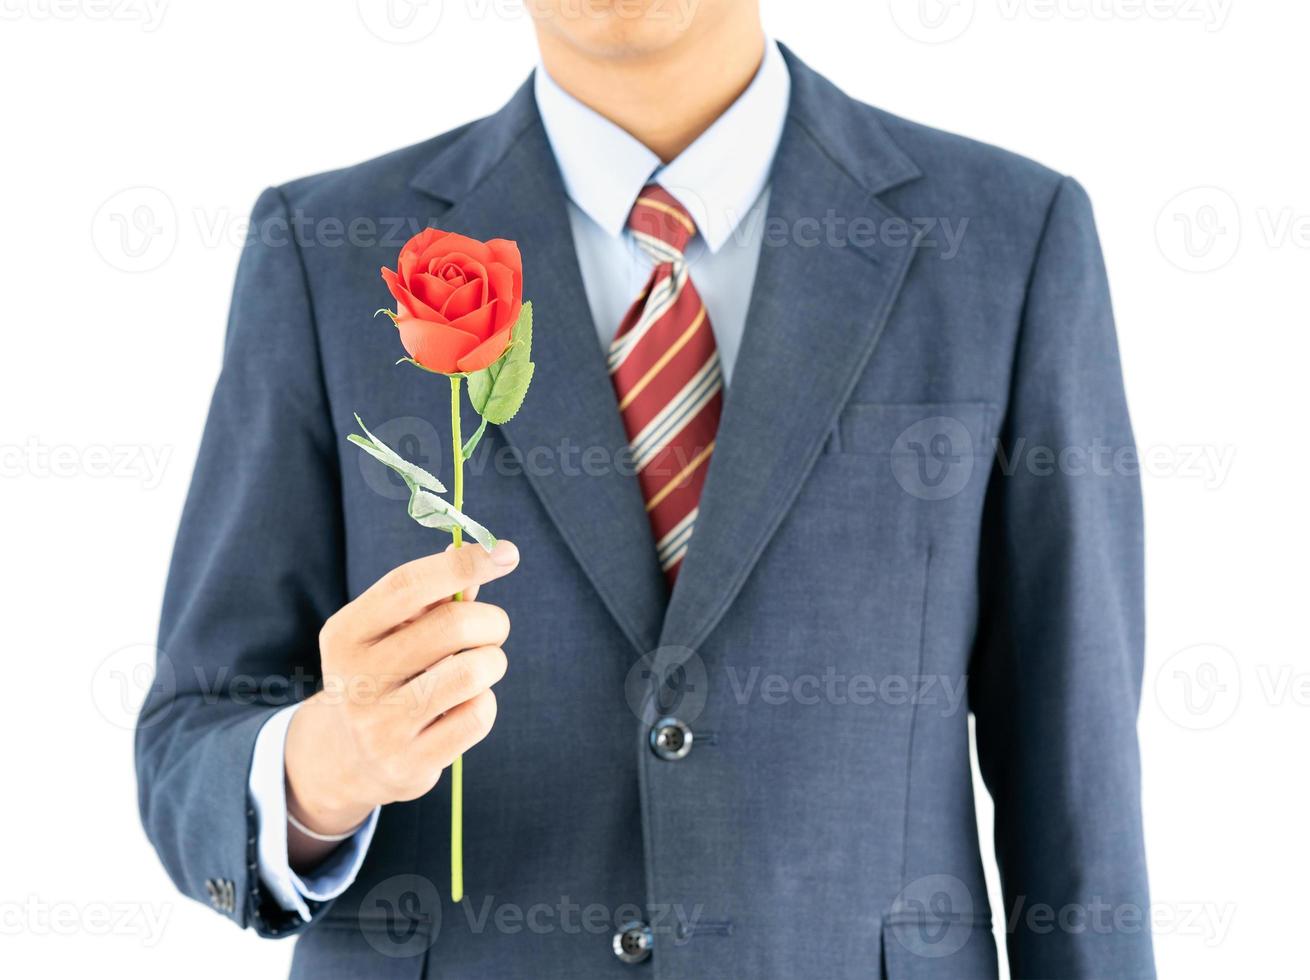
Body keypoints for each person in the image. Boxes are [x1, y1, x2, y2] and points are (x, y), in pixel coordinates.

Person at [136, 2, 1155, 977]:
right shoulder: (324, 249)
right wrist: (328, 766)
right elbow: (192, 735)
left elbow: (1077, 790)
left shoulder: (1009, 241)